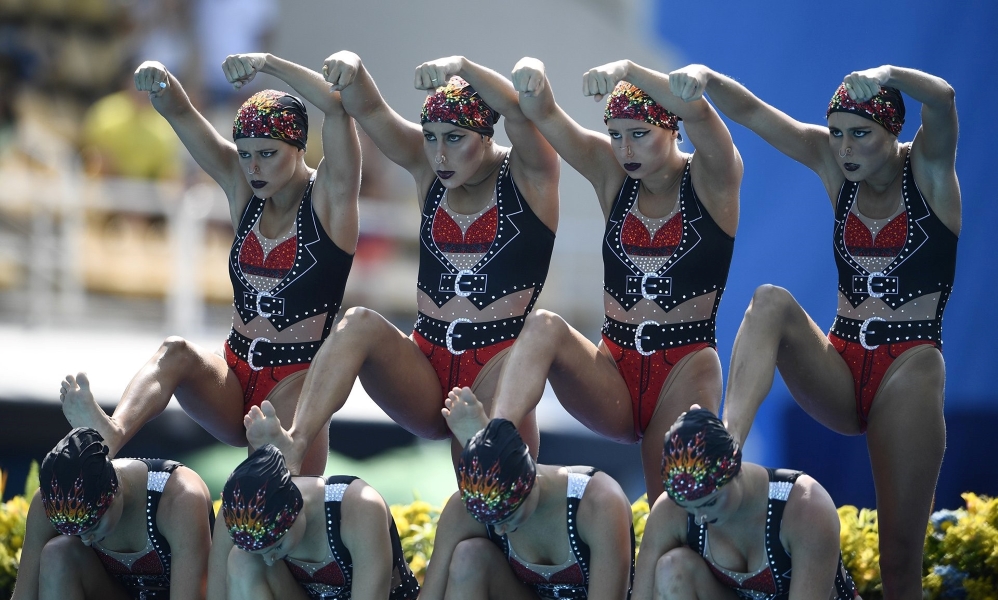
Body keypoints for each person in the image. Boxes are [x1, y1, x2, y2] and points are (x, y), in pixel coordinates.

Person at [673, 64, 958, 598]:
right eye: (836, 133)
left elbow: (941, 99)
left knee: (899, 559)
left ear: (892, 132)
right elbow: (757, 114)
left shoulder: (929, 169)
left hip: (908, 370)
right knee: (769, 303)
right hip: (844, 366)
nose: (845, 147)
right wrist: (705, 77)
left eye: (860, 134)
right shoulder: (834, 165)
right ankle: (725, 444)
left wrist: (889, 73)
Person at [245, 52, 560, 473]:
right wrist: (351, 65)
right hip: (425, 367)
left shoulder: (530, 174)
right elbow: (370, 108)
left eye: (453, 138)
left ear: (486, 135)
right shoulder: (428, 169)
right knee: (357, 323)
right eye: (430, 137)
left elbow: (519, 113)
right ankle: (297, 443)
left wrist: (464, 67)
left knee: (492, 502)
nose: (439, 154)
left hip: (497, 368)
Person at [58, 51, 361, 478]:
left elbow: (337, 104)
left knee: (286, 497)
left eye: (267, 154)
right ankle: (108, 433)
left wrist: (270, 64)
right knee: (175, 352)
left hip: (297, 380)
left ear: (298, 147)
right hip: (234, 377)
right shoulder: (245, 190)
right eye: (244, 154)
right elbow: (180, 114)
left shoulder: (331, 196)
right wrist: (161, 80)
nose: (253, 167)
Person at [461, 57, 741, 502]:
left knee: (670, 509)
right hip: (614, 371)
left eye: (638, 135)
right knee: (544, 325)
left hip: (683, 369)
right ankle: (496, 443)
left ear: (672, 129)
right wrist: (533, 70)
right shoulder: (612, 174)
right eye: (615, 135)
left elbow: (699, 110)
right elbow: (546, 113)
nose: (625, 149)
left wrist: (630, 69)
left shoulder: (713, 176)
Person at [419, 389, 634, 599]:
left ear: (530, 483)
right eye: (489, 521)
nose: (499, 531)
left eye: (507, 517)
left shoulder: (598, 502)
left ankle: (487, 437)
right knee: (470, 557)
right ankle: (485, 440)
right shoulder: (462, 510)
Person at [632, 408, 858, 599]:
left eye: (710, 502)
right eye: (688, 507)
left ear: (736, 469)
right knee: (673, 568)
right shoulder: (672, 511)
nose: (699, 516)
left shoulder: (805, 507)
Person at [12, 427, 214, 600]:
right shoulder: (49, 502)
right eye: (76, 531)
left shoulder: (178, 498)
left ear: (115, 491)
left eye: (93, 525)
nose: (85, 539)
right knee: (58, 554)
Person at [218, 444, 419, 600]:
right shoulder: (258, 533)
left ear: (296, 510)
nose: (270, 560)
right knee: (243, 560)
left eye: (278, 546)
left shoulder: (358, 507)